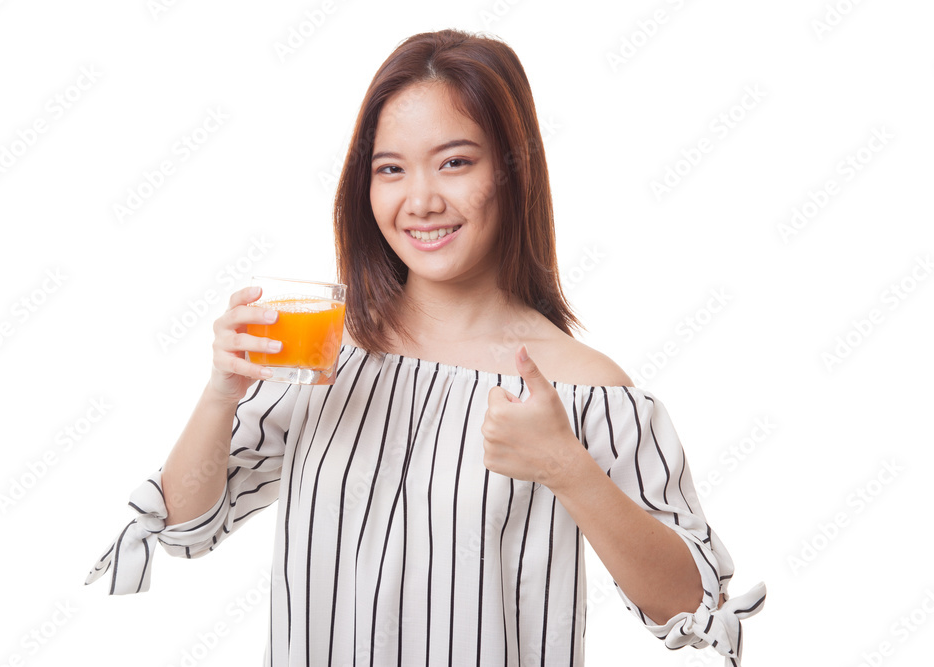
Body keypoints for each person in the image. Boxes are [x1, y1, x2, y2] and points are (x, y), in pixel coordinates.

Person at [87, 28, 765, 666]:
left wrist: (567, 467)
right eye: (390, 169)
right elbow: (186, 527)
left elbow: (689, 604)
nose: (420, 200)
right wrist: (221, 392)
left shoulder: (583, 390)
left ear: (513, 171)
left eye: (455, 163)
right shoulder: (326, 355)